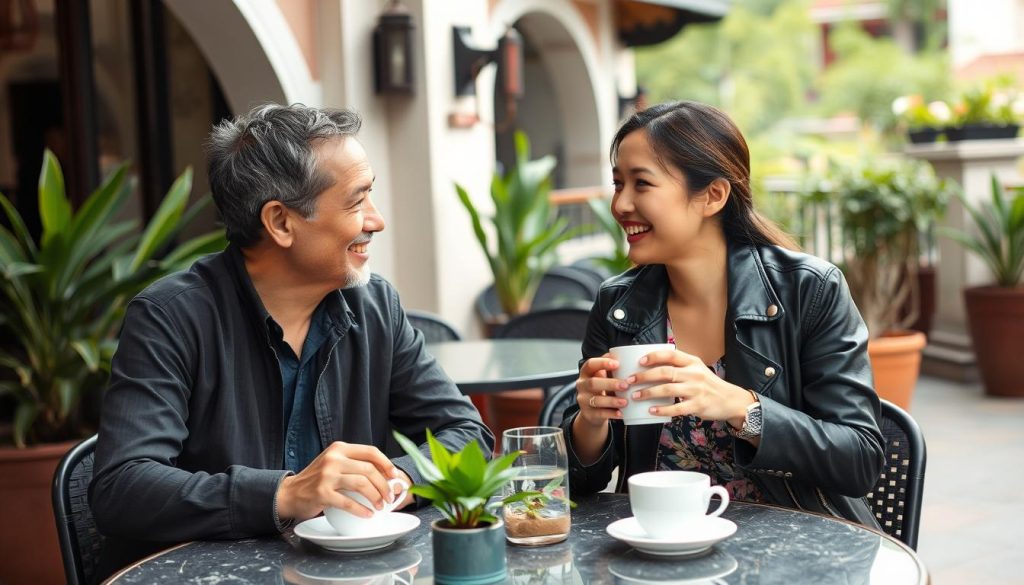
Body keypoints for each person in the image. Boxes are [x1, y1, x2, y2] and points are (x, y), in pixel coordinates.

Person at [90, 104, 493, 579]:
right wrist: (285, 494)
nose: (376, 220)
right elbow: (124, 487)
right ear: (281, 222)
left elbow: (468, 436)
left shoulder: (376, 306)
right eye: (356, 201)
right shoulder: (171, 318)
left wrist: (394, 479)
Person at [564, 101, 884, 526]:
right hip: (662, 544)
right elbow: (579, 484)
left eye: (642, 184)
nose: (621, 204)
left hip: (796, 545)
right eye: (618, 183)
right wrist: (589, 423)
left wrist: (740, 406)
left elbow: (859, 459)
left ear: (712, 195)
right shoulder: (618, 304)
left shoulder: (809, 290)